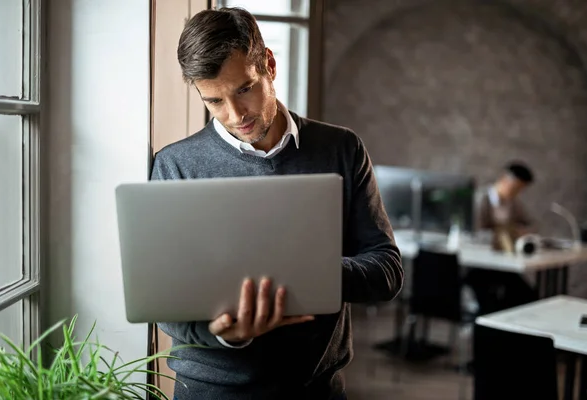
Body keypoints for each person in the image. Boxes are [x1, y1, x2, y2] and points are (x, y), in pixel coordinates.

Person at [150, 7, 404, 400]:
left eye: (244, 89)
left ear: (268, 64)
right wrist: (225, 335)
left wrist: (303, 275)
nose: (235, 115)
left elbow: (386, 270)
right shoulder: (175, 165)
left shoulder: (341, 149)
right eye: (214, 101)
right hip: (209, 392)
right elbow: (165, 301)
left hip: (315, 391)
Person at [465, 161, 538, 315]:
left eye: (520, 190)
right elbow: (475, 236)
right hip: (479, 266)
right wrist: (504, 234)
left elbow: (532, 225)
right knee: (491, 305)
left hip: (502, 266)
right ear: (505, 180)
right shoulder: (481, 199)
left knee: (527, 296)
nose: (517, 193)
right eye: (515, 188)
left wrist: (521, 231)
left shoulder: (514, 203)